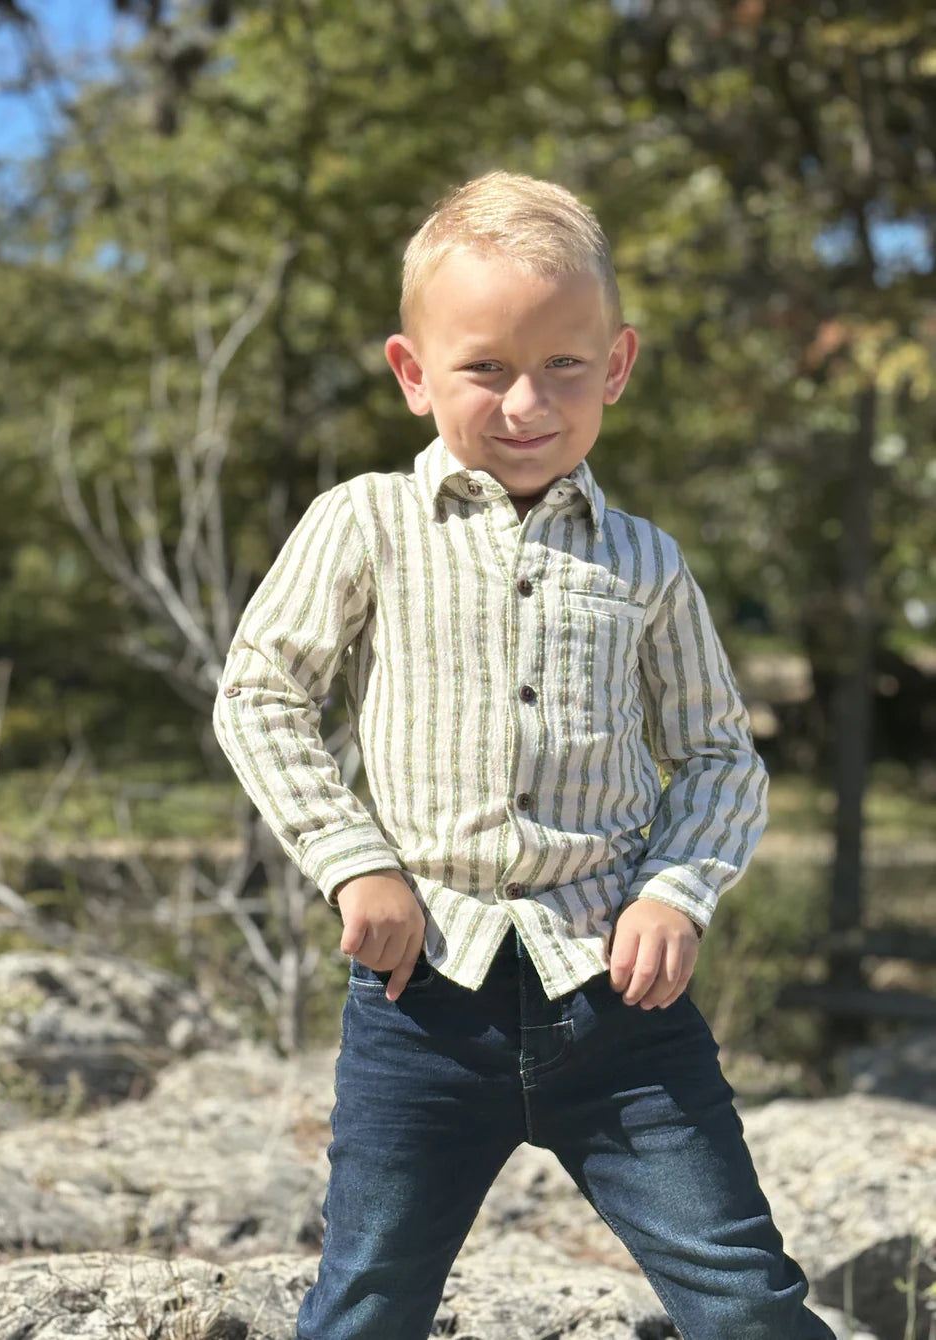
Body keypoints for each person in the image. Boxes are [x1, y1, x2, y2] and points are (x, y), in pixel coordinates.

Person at [213, 171, 835, 1340]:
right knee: (366, 1303)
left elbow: (717, 753)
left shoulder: (646, 561)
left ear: (617, 366)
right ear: (413, 373)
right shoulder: (364, 523)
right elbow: (260, 693)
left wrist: (675, 891)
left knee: (747, 1297)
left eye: (563, 363)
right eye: (485, 366)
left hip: (620, 1002)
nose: (527, 401)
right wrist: (354, 861)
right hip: (422, 998)